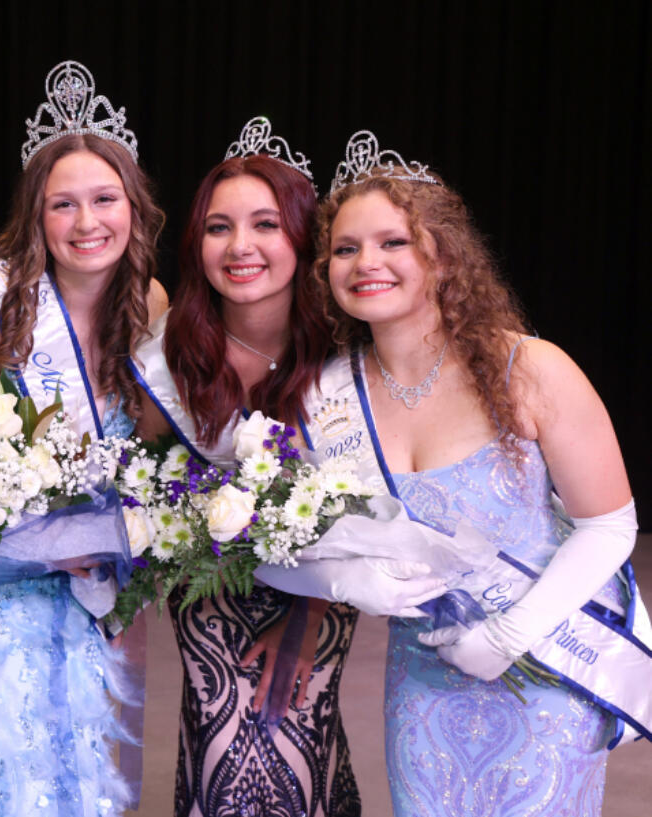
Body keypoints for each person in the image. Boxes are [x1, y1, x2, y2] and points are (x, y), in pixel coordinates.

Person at [311, 130, 642, 815]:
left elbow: (609, 526)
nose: (365, 261)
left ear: (441, 254)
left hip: (545, 673)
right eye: (346, 248)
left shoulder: (531, 368)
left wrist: (507, 635)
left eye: (392, 242)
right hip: (423, 687)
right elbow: (309, 533)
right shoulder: (329, 397)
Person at [0, 60, 166, 817]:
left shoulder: (149, 301)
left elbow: (150, 458)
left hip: (87, 600)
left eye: (103, 199)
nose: (87, 223)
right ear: (37, 216)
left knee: (81, 784)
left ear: (133, 206)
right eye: (64, 205)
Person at [130, 118, 360, 817]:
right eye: (218, 227)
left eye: (264, 223)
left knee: (298, 751)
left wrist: (304, 614)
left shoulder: (347, 350)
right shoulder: (173, 353)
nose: (240, 246)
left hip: (323, 584)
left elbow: (369, 502)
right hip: (210, 588)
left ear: (301, 235)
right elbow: (145, 478)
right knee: (221, 754)